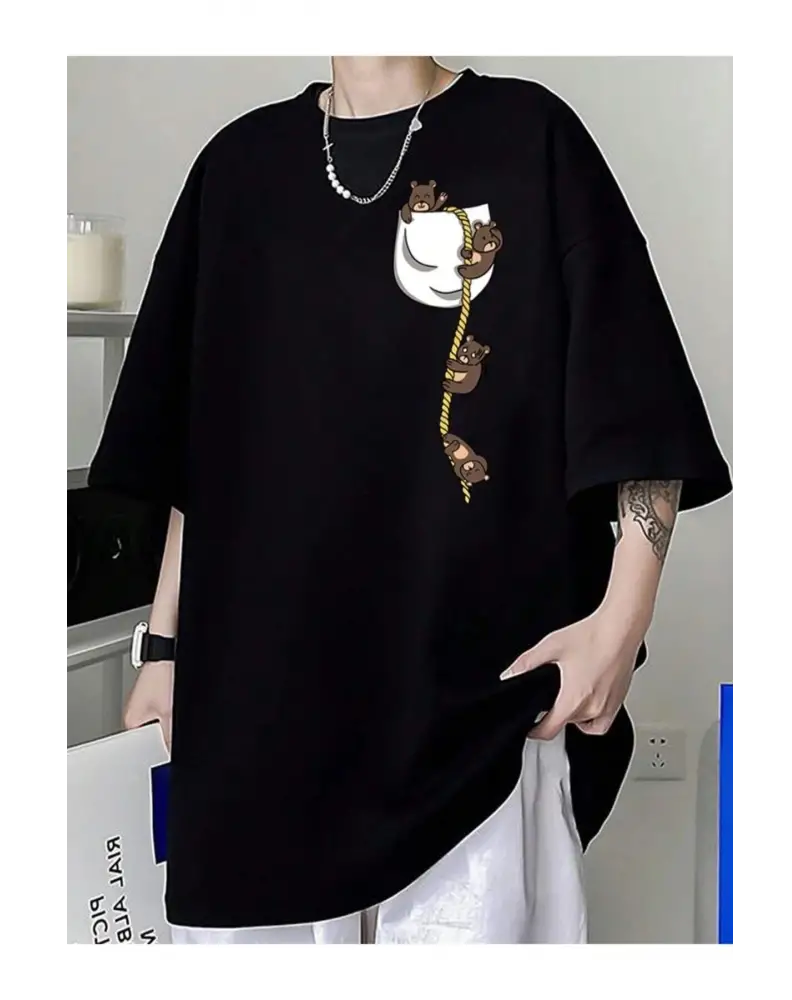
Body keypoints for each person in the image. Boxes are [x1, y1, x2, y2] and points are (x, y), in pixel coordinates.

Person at [89, 56, 732, 944]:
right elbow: (207, 450)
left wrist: (619, 626)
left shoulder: (531, 138)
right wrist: (163, 647)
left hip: (480, 713)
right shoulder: (237, 170)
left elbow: (637, 396)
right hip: (260, 710)